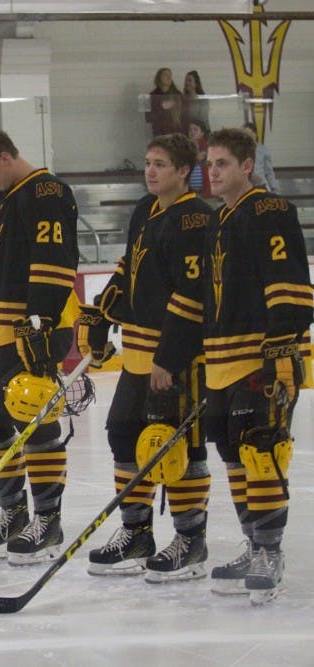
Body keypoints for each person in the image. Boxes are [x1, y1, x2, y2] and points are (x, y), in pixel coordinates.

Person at [79, 133, 213, 582]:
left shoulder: (195, 219)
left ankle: (191, 540)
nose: (151, 171)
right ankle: (136, 532)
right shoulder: (145, 209)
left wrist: (170, 357)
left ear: (182, 171)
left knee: (176, 448)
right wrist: (102, 311)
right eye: (148, 162)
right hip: (136, 353)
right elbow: (127, 267)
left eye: (160, 164)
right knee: (123, 435)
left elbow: (192, 295)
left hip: (173, 358)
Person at [0, 127, 79, 565]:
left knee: (33, 421)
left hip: (31, 330)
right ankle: (12, 512)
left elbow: (54, 263)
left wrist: (40, 324)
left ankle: (48, 519)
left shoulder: (46, 191)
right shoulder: (2, 198)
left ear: (6, 158)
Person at [203, 127, 312, 605]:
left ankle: (270, 551)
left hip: (262, 354)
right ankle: (254, 544)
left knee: (259, 450)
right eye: (208, 164)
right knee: (232, 453)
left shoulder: (269, 210)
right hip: (223, 357)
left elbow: (288, 280)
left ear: (248, 166)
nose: (212, 172)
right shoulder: (221, 219)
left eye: (222, 163)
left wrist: (282, 344)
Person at [243, 123, 280, 193]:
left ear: (255, 134)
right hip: (245, 188)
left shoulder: (263, 150)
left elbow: (269, 172)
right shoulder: (237, 151)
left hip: (261, 186)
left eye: (250, 133)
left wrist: (274, 188)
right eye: (245, 133)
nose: (247, 136)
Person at [146, 68, 182, 137]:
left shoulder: (177, 95)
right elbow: (148, 118)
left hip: (175, 133)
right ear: (159, 78)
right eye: (166, 75)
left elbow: (184, 115)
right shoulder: (153, 96)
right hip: (159, 133)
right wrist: (161, 107)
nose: (169, 77)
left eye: (170, 75)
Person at [187, 121, 211, 198]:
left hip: (206, 191)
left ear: (202, 133)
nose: (192, 132)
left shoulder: (208, 147)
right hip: (190, 192)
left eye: (195, 129)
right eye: (190, 130)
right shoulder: (185, 148)